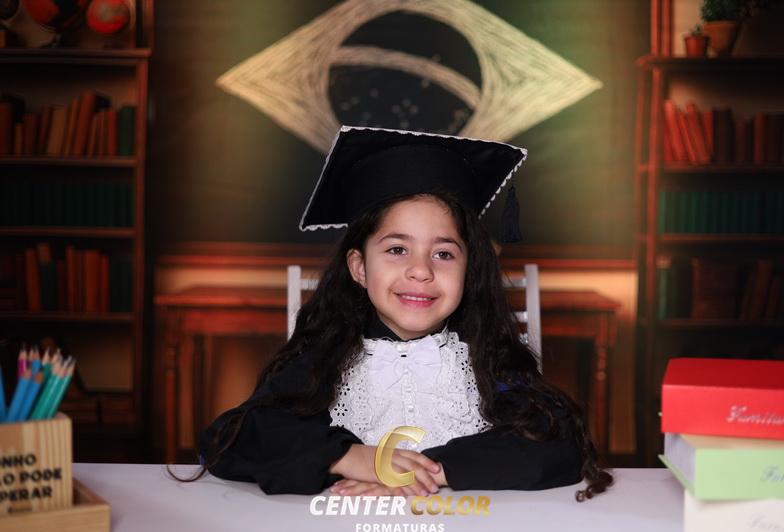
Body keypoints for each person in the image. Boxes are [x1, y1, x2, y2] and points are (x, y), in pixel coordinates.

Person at [192, 126, 613, 501]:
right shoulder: (324, 356)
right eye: (397, 249)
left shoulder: (486, 359)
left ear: (469, 271)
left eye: (444, 254)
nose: (420, 270)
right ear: (359, 267)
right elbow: (230, 440)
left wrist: (428, 471)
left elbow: (559, 444)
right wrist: (350, 457)